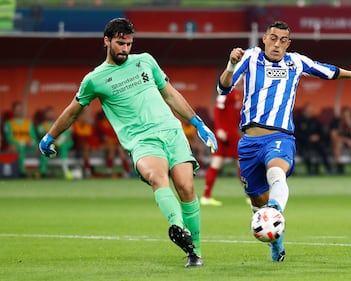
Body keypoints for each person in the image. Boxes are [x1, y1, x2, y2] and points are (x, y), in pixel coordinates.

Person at [39, 18, 217, 267]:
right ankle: (177, 228)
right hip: (143, 141)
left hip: (172, 132)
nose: (125, 49)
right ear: (107, 41)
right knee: (157, 177)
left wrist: (198, 124)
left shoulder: (146, 60)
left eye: (129, 44)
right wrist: (49, 136)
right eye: (120, 43)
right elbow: (72, 111)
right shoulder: (94, 79)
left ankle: (194, 252)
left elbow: (170, 93)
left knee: (186, 188)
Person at [217, 21, 351, 262]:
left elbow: (326, 70)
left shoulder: (296, 62)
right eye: (273, 38)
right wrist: (231, 64)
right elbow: (223, 89)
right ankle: (276, 240)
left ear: (288, 44)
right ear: (264, 38)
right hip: (249, 143)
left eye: (283, 40)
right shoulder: (249, 58)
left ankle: (276, 211)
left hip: (280, 136)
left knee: (276, 173)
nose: (277, 44)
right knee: (258, 200)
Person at [200, 86, 243, 206]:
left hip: (232, 132)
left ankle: (206, 196)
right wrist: (219, 129)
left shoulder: (236, 94)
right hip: (226, 132)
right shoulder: (226, 92)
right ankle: (251, 195)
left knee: (218, 162)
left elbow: (236, 115)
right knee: (242, 161)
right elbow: (217, 110)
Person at [294, 103, 332, 175]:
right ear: (304, 111)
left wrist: (318, 137)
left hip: (316, 143)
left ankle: (329, 168)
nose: (310, 112)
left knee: (322, 149)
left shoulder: (315, 121)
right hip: (303, 143)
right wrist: (308, 138)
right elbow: (297, 134)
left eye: (311, 111)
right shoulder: (298, 121)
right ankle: (310, 169)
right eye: (308, 111)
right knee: (306, 151)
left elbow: (322, 133)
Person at [3, 101, 38, 177]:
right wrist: (21, 143)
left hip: (29, 146)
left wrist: (32, 142)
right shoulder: (8, 123)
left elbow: (34, 137)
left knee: (43, 147)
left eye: (20, 109)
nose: (19, 111)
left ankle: (42, 172)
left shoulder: (29, 122)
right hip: (17, 146)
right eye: (17, 110)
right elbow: (9, 138)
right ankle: (23, 172)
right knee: (20, 147)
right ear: (13, 111)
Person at [37, 106, 74, 179]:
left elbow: (66, 132)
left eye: (51, 113)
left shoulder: (57, 123)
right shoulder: (42, 125)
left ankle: (65, 170)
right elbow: (43, 134)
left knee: (63, 145)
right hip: (49, 145)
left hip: (60, 145)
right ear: (45, 114)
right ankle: (43, 172)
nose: (50, 115)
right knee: (44, 148)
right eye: (48, 113)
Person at [95, 110, 132, 178]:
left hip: (115, 144)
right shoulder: (101, 124)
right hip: (106, 145)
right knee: (112, 148)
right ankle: (109, 170)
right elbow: (101, 137)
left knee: (120, 149)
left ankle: (127, 171)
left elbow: (118, 136)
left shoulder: (114, 123)